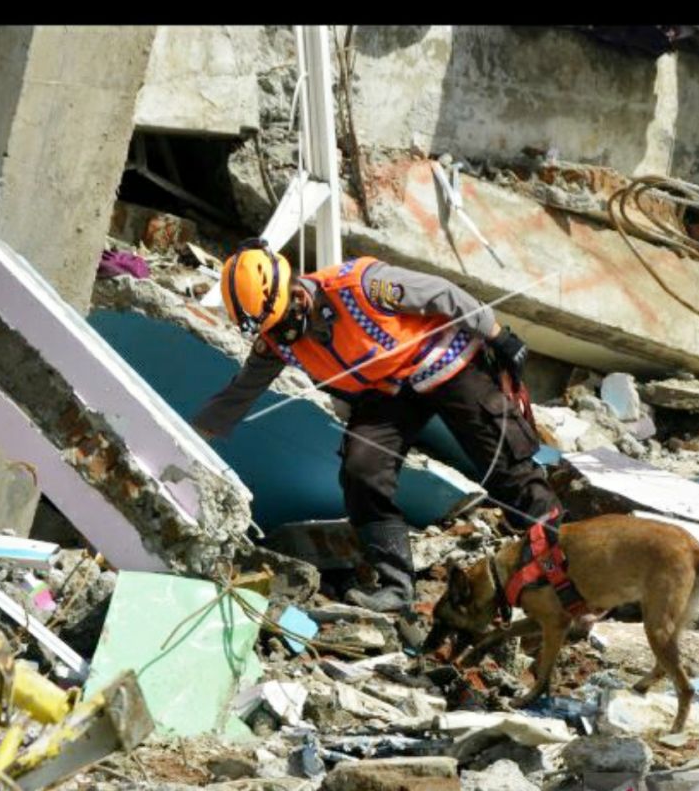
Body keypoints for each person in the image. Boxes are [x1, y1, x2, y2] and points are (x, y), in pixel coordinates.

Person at [194, 239, 563, 612]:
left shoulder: (361, 285)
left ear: (297, 295)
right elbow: (238, 394)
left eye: (286, 323)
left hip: (446, 361)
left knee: (504, 460)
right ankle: (396, 586)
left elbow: (443, 294)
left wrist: (498, 336)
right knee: (361, 470)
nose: (284, 335)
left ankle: (558, 557)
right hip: (387, 393)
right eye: (272, 329)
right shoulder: (276, 339)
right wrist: (193, 441)